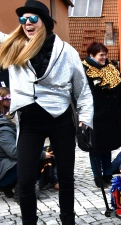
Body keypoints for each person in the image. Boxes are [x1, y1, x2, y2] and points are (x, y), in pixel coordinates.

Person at [0, 1, 94, 223]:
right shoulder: (13, 45)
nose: (27, 24)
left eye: (33, 19)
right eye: (23, 19)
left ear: (45, 22)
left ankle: (68, 220)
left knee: (66, 178)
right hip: (29, 120)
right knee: (24, 179)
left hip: (59, 118)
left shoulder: (66, 52)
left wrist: (85, 121)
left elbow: (83, 92)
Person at [82, 41, 121, 187]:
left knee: (108, 146)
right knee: (96, 148)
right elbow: (82, 94)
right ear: (91, 55)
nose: (104, 57)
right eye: (101, 55)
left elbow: (120, 89)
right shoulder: (85, 70)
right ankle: (98, 176)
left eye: (105, 54)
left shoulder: (111, 68)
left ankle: (107, 174)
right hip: (95, 115)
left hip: (112, 114)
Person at [0, 115, 17, 199]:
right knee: (29, 159)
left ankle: (8, 188)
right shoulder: (3, 131)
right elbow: (14, 152)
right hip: (2, 172)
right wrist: (41, 154)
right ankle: (21, 191)